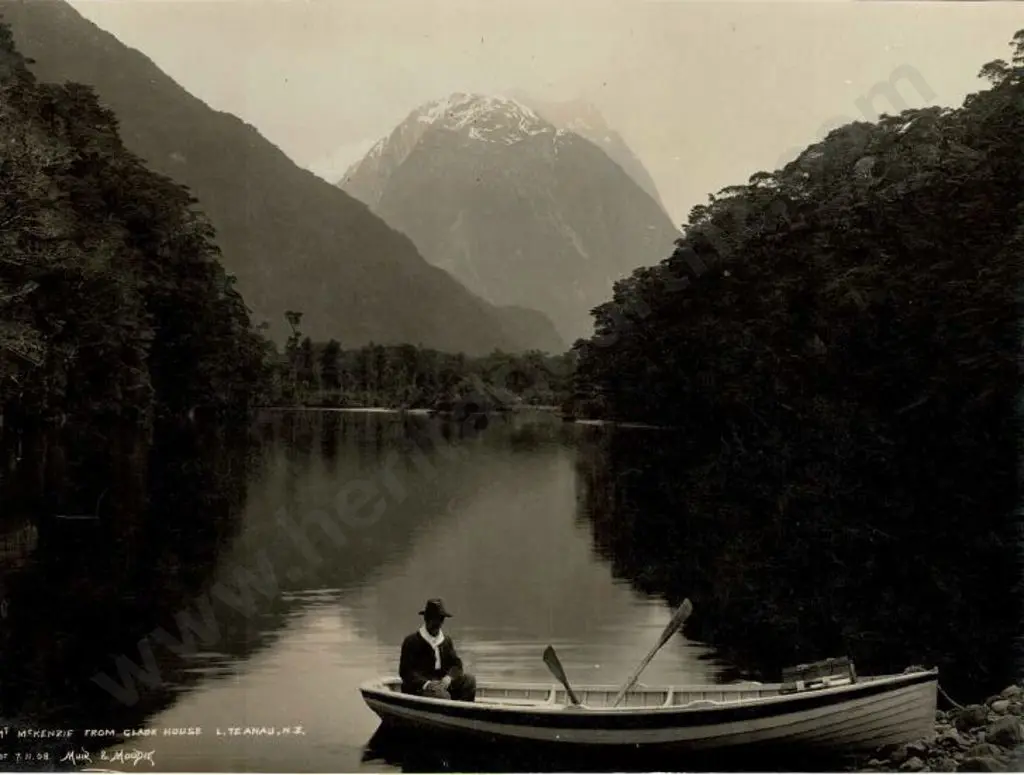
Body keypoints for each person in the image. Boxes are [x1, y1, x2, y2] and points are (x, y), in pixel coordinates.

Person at [399, 598, 476, 702]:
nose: (438, 623)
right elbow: (406, 672)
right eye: (434, 619)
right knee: (442, 696)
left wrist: (449, 678)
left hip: (442, 685)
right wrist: (427, 684)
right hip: (419, 689)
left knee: (469, 681)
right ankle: (450, 711)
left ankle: (463, 712)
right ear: (426, 619)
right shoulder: (411, 641)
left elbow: (457, 665)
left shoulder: (446, 641)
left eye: (440, 619)